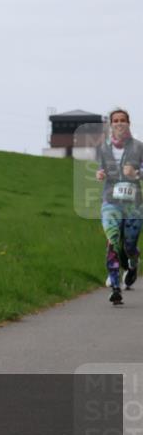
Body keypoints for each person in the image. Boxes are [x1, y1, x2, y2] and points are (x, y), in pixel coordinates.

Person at [95, 108, 142, 305]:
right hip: (110, 202)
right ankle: (115, 287)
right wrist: (100, 174)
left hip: (133, 204)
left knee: (129, 245)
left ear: (128, 123)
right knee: (113, 241)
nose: (119, 123)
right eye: (116, 120)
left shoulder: (138, 147)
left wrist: (137, 174)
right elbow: (100, 168)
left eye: (123, 120)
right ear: (111, 124)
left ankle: (133, 262)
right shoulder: (103, 148)